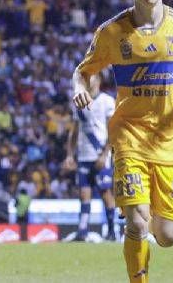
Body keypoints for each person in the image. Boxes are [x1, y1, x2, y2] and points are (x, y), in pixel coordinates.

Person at [73, 0, 173, 283]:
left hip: (171, 144)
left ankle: (144, 222)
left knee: (168, 235)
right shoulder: (112, 32)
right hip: (129, 137)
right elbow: (82, 71)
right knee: (137, 222)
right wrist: (77, 89)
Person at [63, 74, 117, 241]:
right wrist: (70, 155)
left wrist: (105, 154)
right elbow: (75, 130)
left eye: (92, 78)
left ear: (99, 81)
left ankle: (111, 231)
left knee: (105, 192)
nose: (88, 81)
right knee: (83, 194)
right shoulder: (79, 101)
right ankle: (82, 230)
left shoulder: (107, 101)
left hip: (100, 155)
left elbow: (113, 129)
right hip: (84, 156)